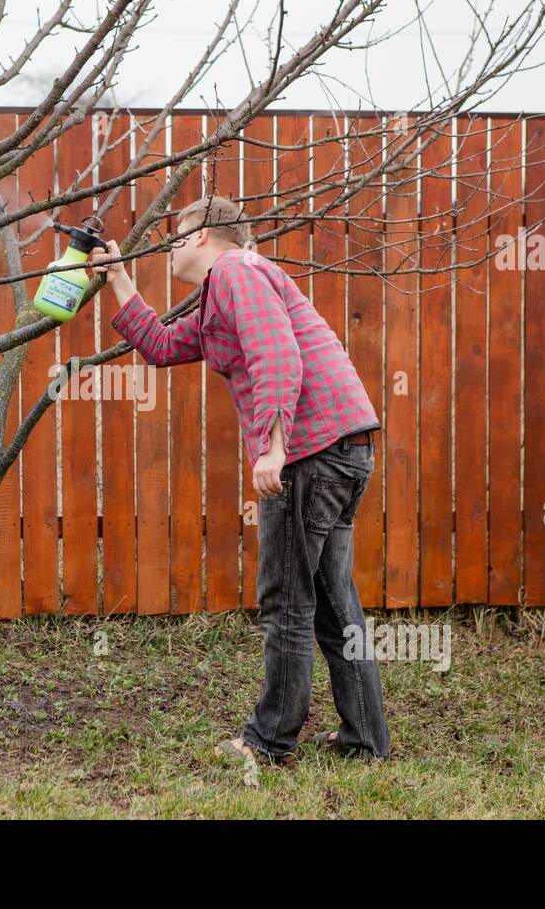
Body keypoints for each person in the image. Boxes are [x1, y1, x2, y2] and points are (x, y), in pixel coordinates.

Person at [92, 195, 391, 764]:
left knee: (287, 602)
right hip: (344, 447)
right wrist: (119, 279)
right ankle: (365, 740)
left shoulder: (236, 271)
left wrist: (274, 447)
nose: (172, 246)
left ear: (204, 234)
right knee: (332, 602)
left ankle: (270, 741)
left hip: (311, 453)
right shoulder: (224, 293)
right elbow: (160, 345)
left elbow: (276, 353)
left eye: (179, 235)